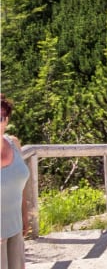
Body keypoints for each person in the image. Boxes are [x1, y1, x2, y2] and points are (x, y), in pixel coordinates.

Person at [1, 95, 35, 268]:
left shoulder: (13, 143)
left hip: (15, 227)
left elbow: (18, 182)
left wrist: (24, 214)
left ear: (6, 120)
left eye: (0, 117)